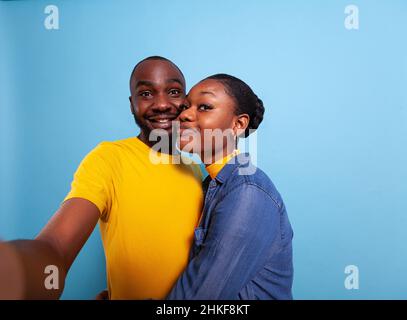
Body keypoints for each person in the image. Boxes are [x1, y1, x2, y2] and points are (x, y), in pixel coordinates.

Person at [0, 56, 203, 299]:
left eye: (173, 91)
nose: (162, 104)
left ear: (187, 101)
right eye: (146, 93)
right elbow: (55, 247)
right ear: (132, 104)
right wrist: (16, 270)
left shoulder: (194, 168)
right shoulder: (108, 159)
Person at [167, 74, 294, 299]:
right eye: (186, 106)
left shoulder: (247, 193)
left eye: (204, 107)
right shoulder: (210, 185)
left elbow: (199, 298)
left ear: (238, 124)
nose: (184, 114)